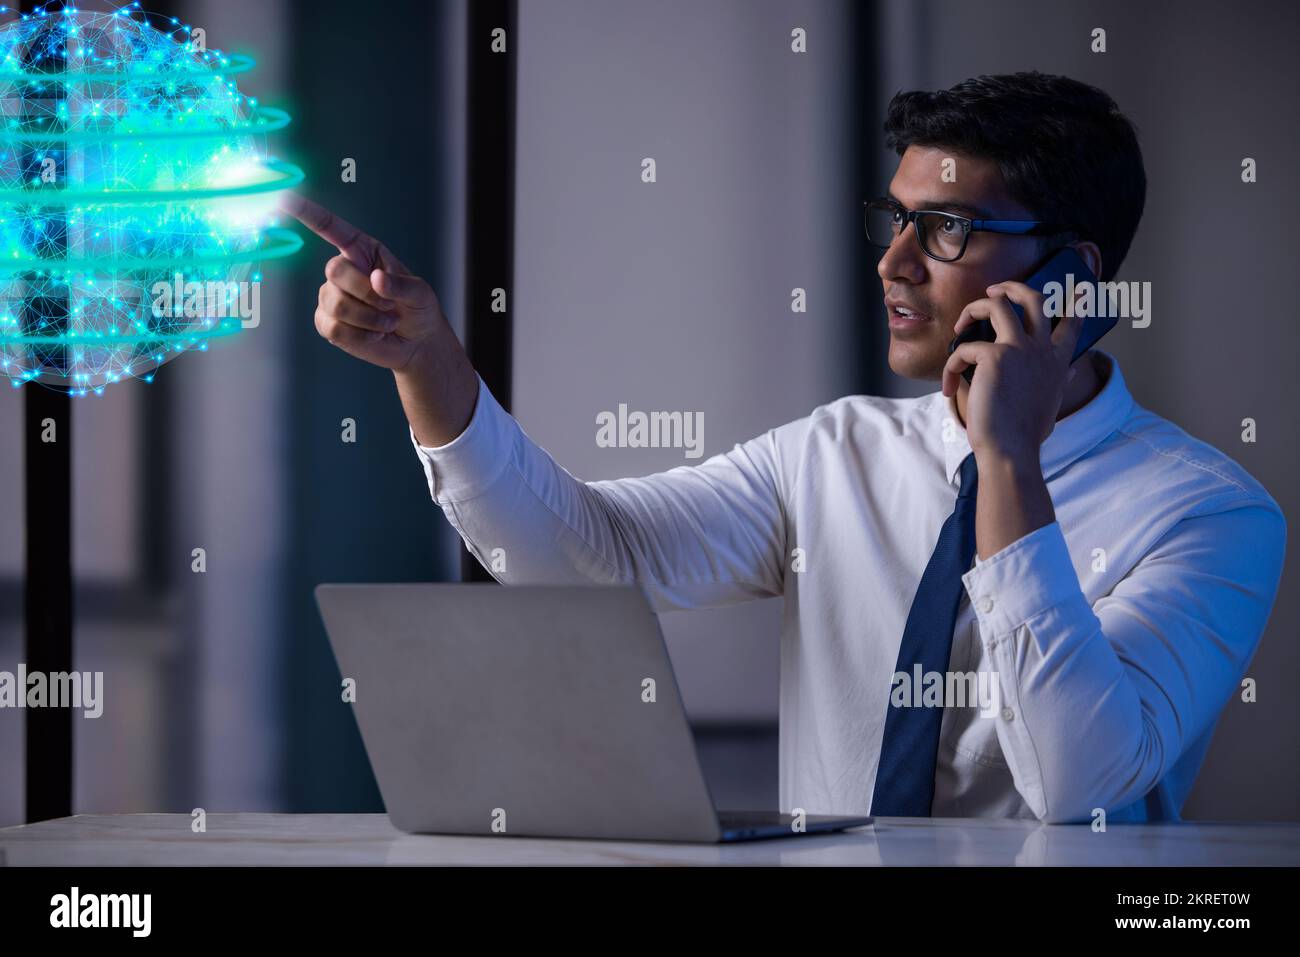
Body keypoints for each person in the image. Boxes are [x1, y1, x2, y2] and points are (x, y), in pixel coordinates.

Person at [285, 72, 1285, 823]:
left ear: (1070, 275)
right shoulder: (834, 451)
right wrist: (428, 363)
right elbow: (582, 559)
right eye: (893, 221)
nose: (893, 262)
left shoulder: (1210, 514)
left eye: (942, 229)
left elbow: (1078, 785)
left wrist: (1008, 462)